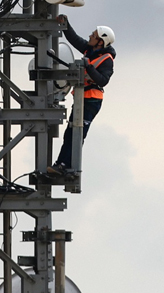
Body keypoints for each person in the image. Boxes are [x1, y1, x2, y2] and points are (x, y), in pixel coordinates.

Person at [47, 17, 115, 176]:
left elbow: (103, 80)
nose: (90, 36)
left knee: (77, 133)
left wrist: (89, 66)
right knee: (70, 132)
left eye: (94, 35)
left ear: (101, 41)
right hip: (82, 98)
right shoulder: (89, 50)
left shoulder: (107, 60)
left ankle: (66, 165)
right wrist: (65, 23)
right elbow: (74, 39)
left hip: (92, 101)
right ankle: (61, 164)